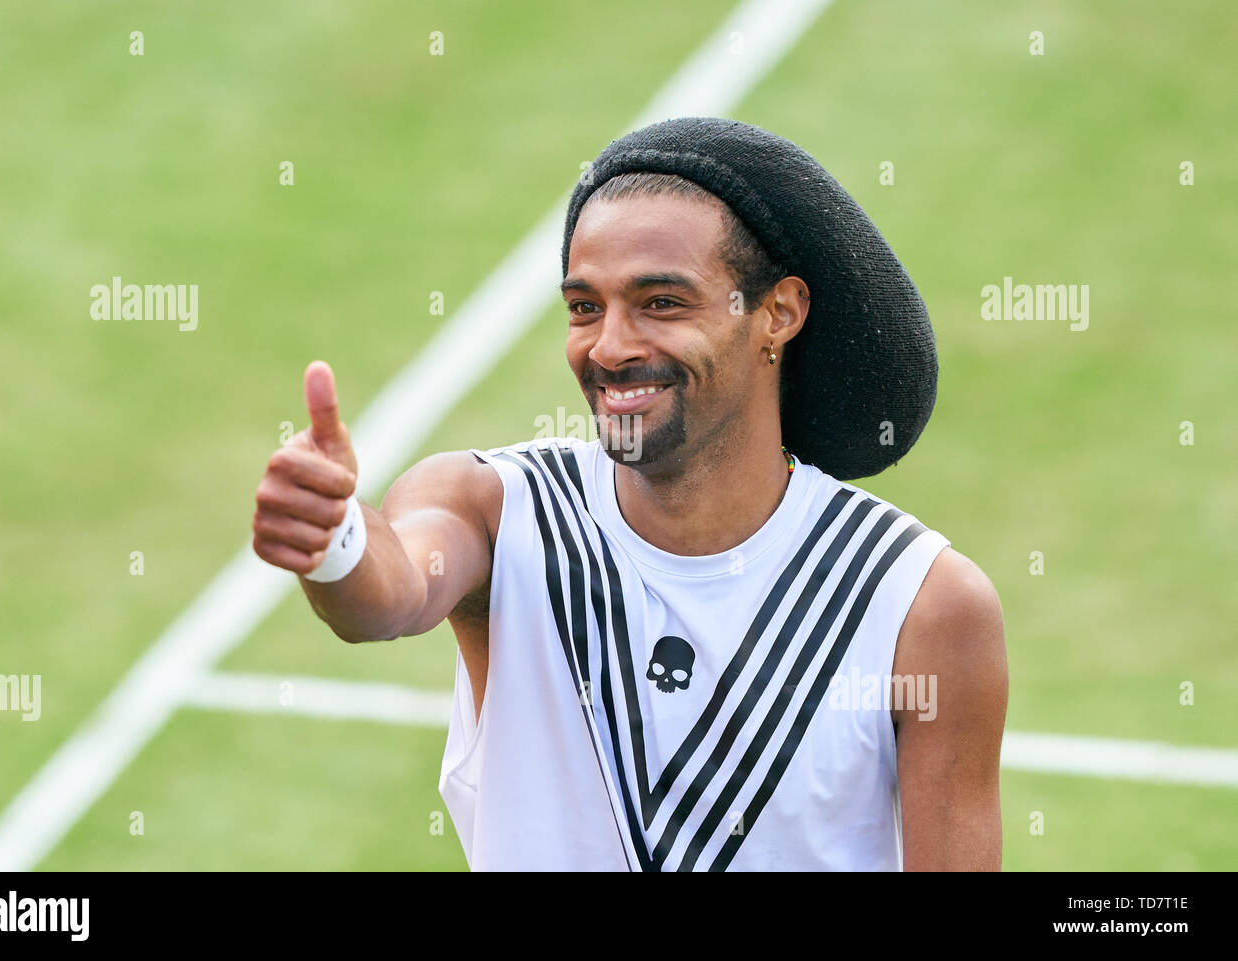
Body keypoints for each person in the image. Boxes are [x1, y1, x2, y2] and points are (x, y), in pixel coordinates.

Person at [252, 118, 1008, 871]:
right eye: (585, 307)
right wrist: (337, 540)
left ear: (778, 313)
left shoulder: (925, 606)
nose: (610, 347)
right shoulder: (495, 507)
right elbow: (393, 592)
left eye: (662, 303)